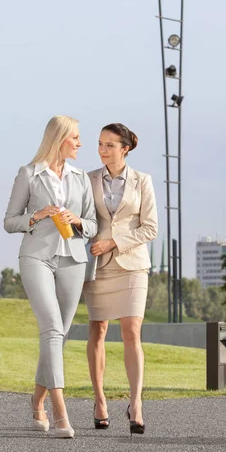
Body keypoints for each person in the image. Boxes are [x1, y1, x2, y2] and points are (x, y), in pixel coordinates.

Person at [4, 115, 97, 438]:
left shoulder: (81, 177)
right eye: (75, 138)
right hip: (36, 258)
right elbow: (9, 221)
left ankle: (37, 401)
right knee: (52, 329)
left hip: (73, 259)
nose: (80, 144)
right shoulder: (29, 174)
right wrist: (36, 216)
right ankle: (61, 413)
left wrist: (79, 221)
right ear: (59, 139)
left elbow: (94, 224)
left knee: (59, 335)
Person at [83, 123, 158, 435]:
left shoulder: (143, 181)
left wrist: (115, 241)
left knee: (131, 331)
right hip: (98, 266)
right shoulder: (87, 180)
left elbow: (150, 228)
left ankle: (136, 403)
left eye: (110, 145)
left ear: (125, 149)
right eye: (100, 144)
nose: (103, 150)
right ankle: (99, 400)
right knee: (98, 330)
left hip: (132, 265)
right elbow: (85, 220)